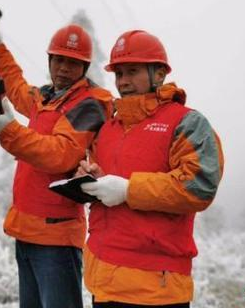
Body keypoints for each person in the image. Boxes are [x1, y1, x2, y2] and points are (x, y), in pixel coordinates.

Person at [77, 30, 224, 308]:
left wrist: (129, 190)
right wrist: (94, 178)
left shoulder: (188, 123)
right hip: (103, 279)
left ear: (159, 74)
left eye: (132, 71)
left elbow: (199, 186)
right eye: (119, 74)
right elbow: (107, 178)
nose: (123, 82)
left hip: (156, 288)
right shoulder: (109, 128)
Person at [0, 21, 113, 308]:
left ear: (85, 67)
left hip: (57, 238)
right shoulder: (45, 98)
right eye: (59, 60)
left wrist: (9, 130)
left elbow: (61, 154)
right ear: (50, 61)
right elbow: (16, 87)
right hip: (26, 230)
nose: (64, 68)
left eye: (73, 62)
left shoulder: (90, 104)